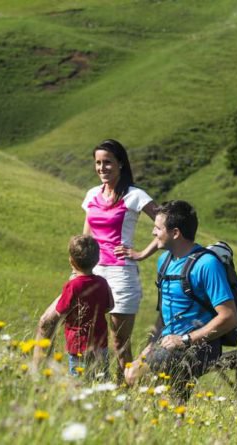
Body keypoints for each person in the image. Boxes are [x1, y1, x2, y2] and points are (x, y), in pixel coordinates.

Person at [125, 200, 237, 398]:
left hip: (201, 345)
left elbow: (229, 317)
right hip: (166, 343)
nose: (153, 233)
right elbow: (164, 316)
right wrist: (145, 354)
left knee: (142, 378)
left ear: (175, 232)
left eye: (157, 228)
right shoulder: (164, 261)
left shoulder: (207, 264)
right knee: (134, 374)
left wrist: (185, 340)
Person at [82, 139, 158, 378]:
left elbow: (167, 224)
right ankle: (97, 381)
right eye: (98, 163)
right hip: (93, 272)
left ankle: (127, 388)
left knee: (120, 340)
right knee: (91, 332)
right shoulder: (92, 194)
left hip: (121, 273)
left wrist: (142, 253)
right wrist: (79, 269)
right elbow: (86, 235)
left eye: (108, 163)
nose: (102, 168)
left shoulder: (135, 196)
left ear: (121, 164)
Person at [33, 235, 114, 377]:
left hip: (79, 346)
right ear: (97, 260)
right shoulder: (102, 282)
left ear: (72, 261)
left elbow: (60, 311)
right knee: (100, 378)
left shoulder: (72, 285)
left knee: (79, 382)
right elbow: (110, 306)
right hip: (100, 345)